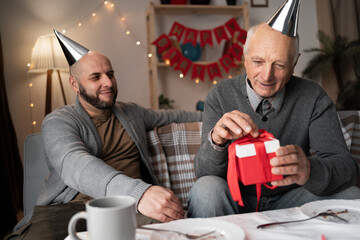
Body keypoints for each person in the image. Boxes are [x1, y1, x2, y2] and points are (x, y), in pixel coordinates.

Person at [13, 30, 201, 234]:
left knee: (170, 234)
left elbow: (175, 117)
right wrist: (140, 193)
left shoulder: (132, 113)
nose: (108, 83)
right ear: (74, 84)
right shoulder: (58, 121)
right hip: (72, 210)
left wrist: (218, 114)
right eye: (96, 77)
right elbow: (76, 164)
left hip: (133, 210)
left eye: (110, 74)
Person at [187, 0, 360, 218]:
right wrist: (217, 142)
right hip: (235, 199)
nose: (267, 75)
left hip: (292, 199)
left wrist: (309, 170)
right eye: (258, 61)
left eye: (279, 65)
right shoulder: (220, 95)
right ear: (245, 59)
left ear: (294, 63)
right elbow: (203, 174)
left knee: (352, 195)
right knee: (206, 190)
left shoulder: (313, 97)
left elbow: (347, 169)